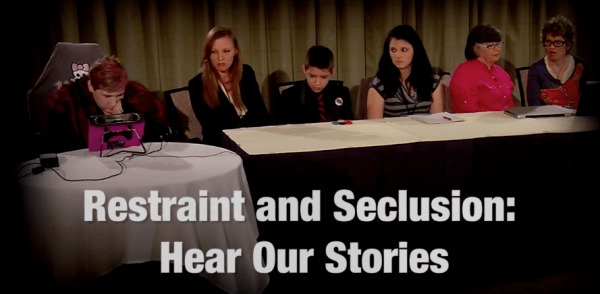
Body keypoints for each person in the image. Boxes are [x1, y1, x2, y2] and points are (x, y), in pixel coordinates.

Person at [46, 55, 169, 153]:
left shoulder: (135, 94)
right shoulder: (67, 99)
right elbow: (62, 146)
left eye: (119, 95)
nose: (113, 103)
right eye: (107, 96)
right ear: (91, 86)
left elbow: (155, 133)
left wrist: (123, 119)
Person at [188, 26, 271, 147]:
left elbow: (260, 113)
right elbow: (213, 128)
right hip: (221, 146)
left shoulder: (246, 73)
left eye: (226, 51)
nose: (220, 57)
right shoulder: (197, 84)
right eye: (213, 51)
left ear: (235, 51)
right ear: (207, 54)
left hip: (255, 141)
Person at [366, 24, 443, 118]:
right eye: (393, 50)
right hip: (391, 132)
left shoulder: (432, 81)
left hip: (424, 132)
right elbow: (375, 126)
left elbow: (437, 121)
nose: (397, 55)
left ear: (416, 51)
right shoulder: (379, 83)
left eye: (404, 50)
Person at [276, 45, 353, 124]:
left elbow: (348, 123)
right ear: (304, 69)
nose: (317, 83)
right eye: (312, 76)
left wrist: (335, 125)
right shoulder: (289, 96)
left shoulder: (342, 92)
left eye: (324, 77)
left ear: (332, 72)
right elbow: (282, 129)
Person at [449, 24, 515, 113]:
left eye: (498, 44)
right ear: (476, 48)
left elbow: (511, 107)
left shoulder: (502, 73)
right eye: (490, 45)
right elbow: (466, 112)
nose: (497, 49)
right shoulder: (465, 72)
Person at [527, 15, 588, 108]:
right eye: (548, 42)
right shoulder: (536, 69)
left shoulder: (580, 66)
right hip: (546, 121)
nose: (551, 47)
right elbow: (533, 108)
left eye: (558, 42)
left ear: (568, 45)